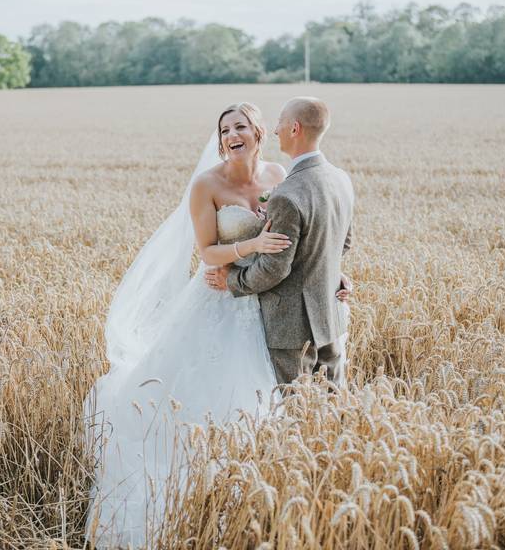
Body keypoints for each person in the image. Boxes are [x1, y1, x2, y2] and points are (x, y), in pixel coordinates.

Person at [85, 100, 352, 547]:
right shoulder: (205, 185)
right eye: (225, 128)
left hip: (266, 303)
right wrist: (250, 249)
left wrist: (334, 274)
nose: (232, 134)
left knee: (266, 402)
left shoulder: (279, 179)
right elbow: (207, 251)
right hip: (221, 293)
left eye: (241, 126)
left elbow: (308, 237)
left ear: (262, 132)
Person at [205, 96, 355, 386]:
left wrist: (232, 281)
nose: (276, 131)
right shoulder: (341, 179)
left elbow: (275, 268)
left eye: (281, 124)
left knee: (294, 412)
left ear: (295, 129)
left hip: (289, 327)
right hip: (330, 316)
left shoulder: (286, 194)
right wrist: (332, 274)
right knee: (333, 407)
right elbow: (341, 244)